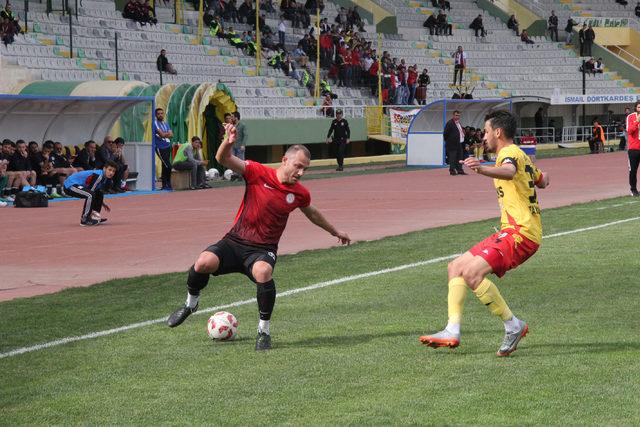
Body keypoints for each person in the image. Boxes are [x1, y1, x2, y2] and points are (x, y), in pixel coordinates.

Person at [165, 139, 351, 351]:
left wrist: (334, 231)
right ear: (284, 160)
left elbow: (313, 213)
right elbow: (222, 158)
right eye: (298, 166)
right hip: (235, 241)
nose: (300, 173)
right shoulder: (257, 172)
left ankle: (264, 331)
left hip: (263, 250)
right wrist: (227, 142)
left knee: (263, 272)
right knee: (203, 262)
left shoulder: (300, 193)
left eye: (305, 169)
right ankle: (190, 304)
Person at [420, 110, 550, 356]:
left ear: (498, 132)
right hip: (512, 231)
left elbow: (509, 172)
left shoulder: (508, 154)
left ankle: (513, 325)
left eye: (487, 131)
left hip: (520, 234)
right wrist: (541, 178)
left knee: (471, 273)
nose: (484, 136)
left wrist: (481, 169)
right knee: (455, 268)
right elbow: (543, 180)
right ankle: (452, 329)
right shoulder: (522, 154)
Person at [63, 160, 117, 226]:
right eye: (110, 170)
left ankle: (95, 216)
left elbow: (95, 192)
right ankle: (84, 220)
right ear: (104, 169)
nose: (111, 173)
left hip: (76, 185)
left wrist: (103, 204)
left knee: (99, 193)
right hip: (70, 185)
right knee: (90, 195)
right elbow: (91, 193)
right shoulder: (98, 176)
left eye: (113, 171)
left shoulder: (104, 177)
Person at [153, 107, 173, 190]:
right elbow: (162, 135)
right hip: (160, 147)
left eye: (162, 113)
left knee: (165, 166)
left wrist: (166, 134)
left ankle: (165, 185)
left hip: (167, 146)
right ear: (156, 115)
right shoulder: (155, 123)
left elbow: (171, 135)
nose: (160, 115)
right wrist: (166, 133)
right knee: (168, 166)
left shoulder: (165, 123)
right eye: (158, 114)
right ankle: (167, 182)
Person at [443, 110, 466, 176]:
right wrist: (449, 141)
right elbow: (445, 134)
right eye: (456, 115)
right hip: (452, 144)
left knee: (460, 157)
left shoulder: (458, 123)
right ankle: (452, 171)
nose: (457, 116)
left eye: (458, 115)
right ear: (453, 115)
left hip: (459, 143)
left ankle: (460, 170)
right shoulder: (450, 123)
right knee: (452, 158)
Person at [626, 102, 640, 196]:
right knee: (633, 170)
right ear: (635, 108)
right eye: (639, 107)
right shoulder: (631, 117)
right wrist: (637, 121)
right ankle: (633, 190)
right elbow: (629, 131)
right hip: (633, 148)